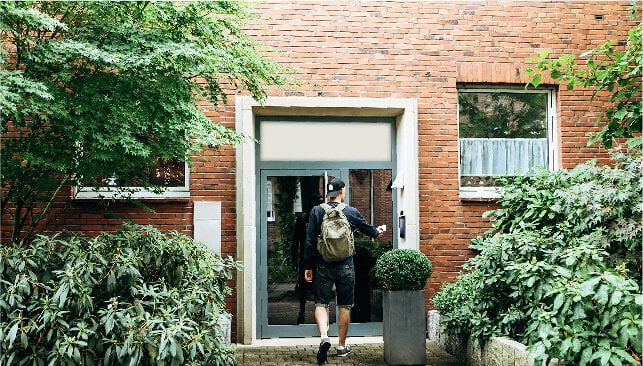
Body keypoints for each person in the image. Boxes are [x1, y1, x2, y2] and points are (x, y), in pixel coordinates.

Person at [304, 178, 383, 363]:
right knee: (344, 305)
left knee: (321, 303)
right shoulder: (350, 211)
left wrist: (308, 266)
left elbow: (309, 241)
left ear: (328, 193)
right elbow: (371, 231)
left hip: (323, 264)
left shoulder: (317, 211)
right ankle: (341, 346)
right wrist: (379, 231)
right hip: (346, 265)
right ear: (342, 192)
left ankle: (324, 337)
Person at [291, 193, 323, 324]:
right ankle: (304, 310)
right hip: (309, 258)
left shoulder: (318, 218)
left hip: (316, 258)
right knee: (306, 286)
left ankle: (309, 311)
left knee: (315, 286)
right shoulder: (304, 219)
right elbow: (295, 241)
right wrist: (294, 259)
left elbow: (294, 241)